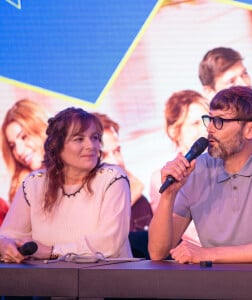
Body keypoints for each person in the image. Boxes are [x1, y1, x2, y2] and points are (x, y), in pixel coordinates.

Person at [148, 85, 252, 263]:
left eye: (219, 121)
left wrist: (208, 255)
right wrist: (168, 195)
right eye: (209, 119)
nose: (210, 129)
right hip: (214, 286)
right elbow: (157, 252)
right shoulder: (198, 168)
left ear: (250, 129)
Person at [0, 107, 132, 263]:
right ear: (57, 146)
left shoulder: (113, 178)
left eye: (95, 137)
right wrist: (5, 245)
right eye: (79, 139)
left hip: (107, 281)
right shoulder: (33, 183)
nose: (92, 146)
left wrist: (53, 251)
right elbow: (8, 236)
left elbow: (108, 244)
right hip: (47, 282)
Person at [149, 90, 209, 245]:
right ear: (174, 131)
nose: (205, 130)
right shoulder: (162, 179)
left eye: (206, 120)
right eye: (195, 124)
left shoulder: (224, 165)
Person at [93, 112, 152, 258]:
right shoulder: (69, 202)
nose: (115, 161)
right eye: (103, 155)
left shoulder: (140, 203)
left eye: (117, 151)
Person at [1, 99, 48, 203]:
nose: (19, 151)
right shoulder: (22, 189)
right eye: (12, 146)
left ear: (41, 129)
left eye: (24, 137)